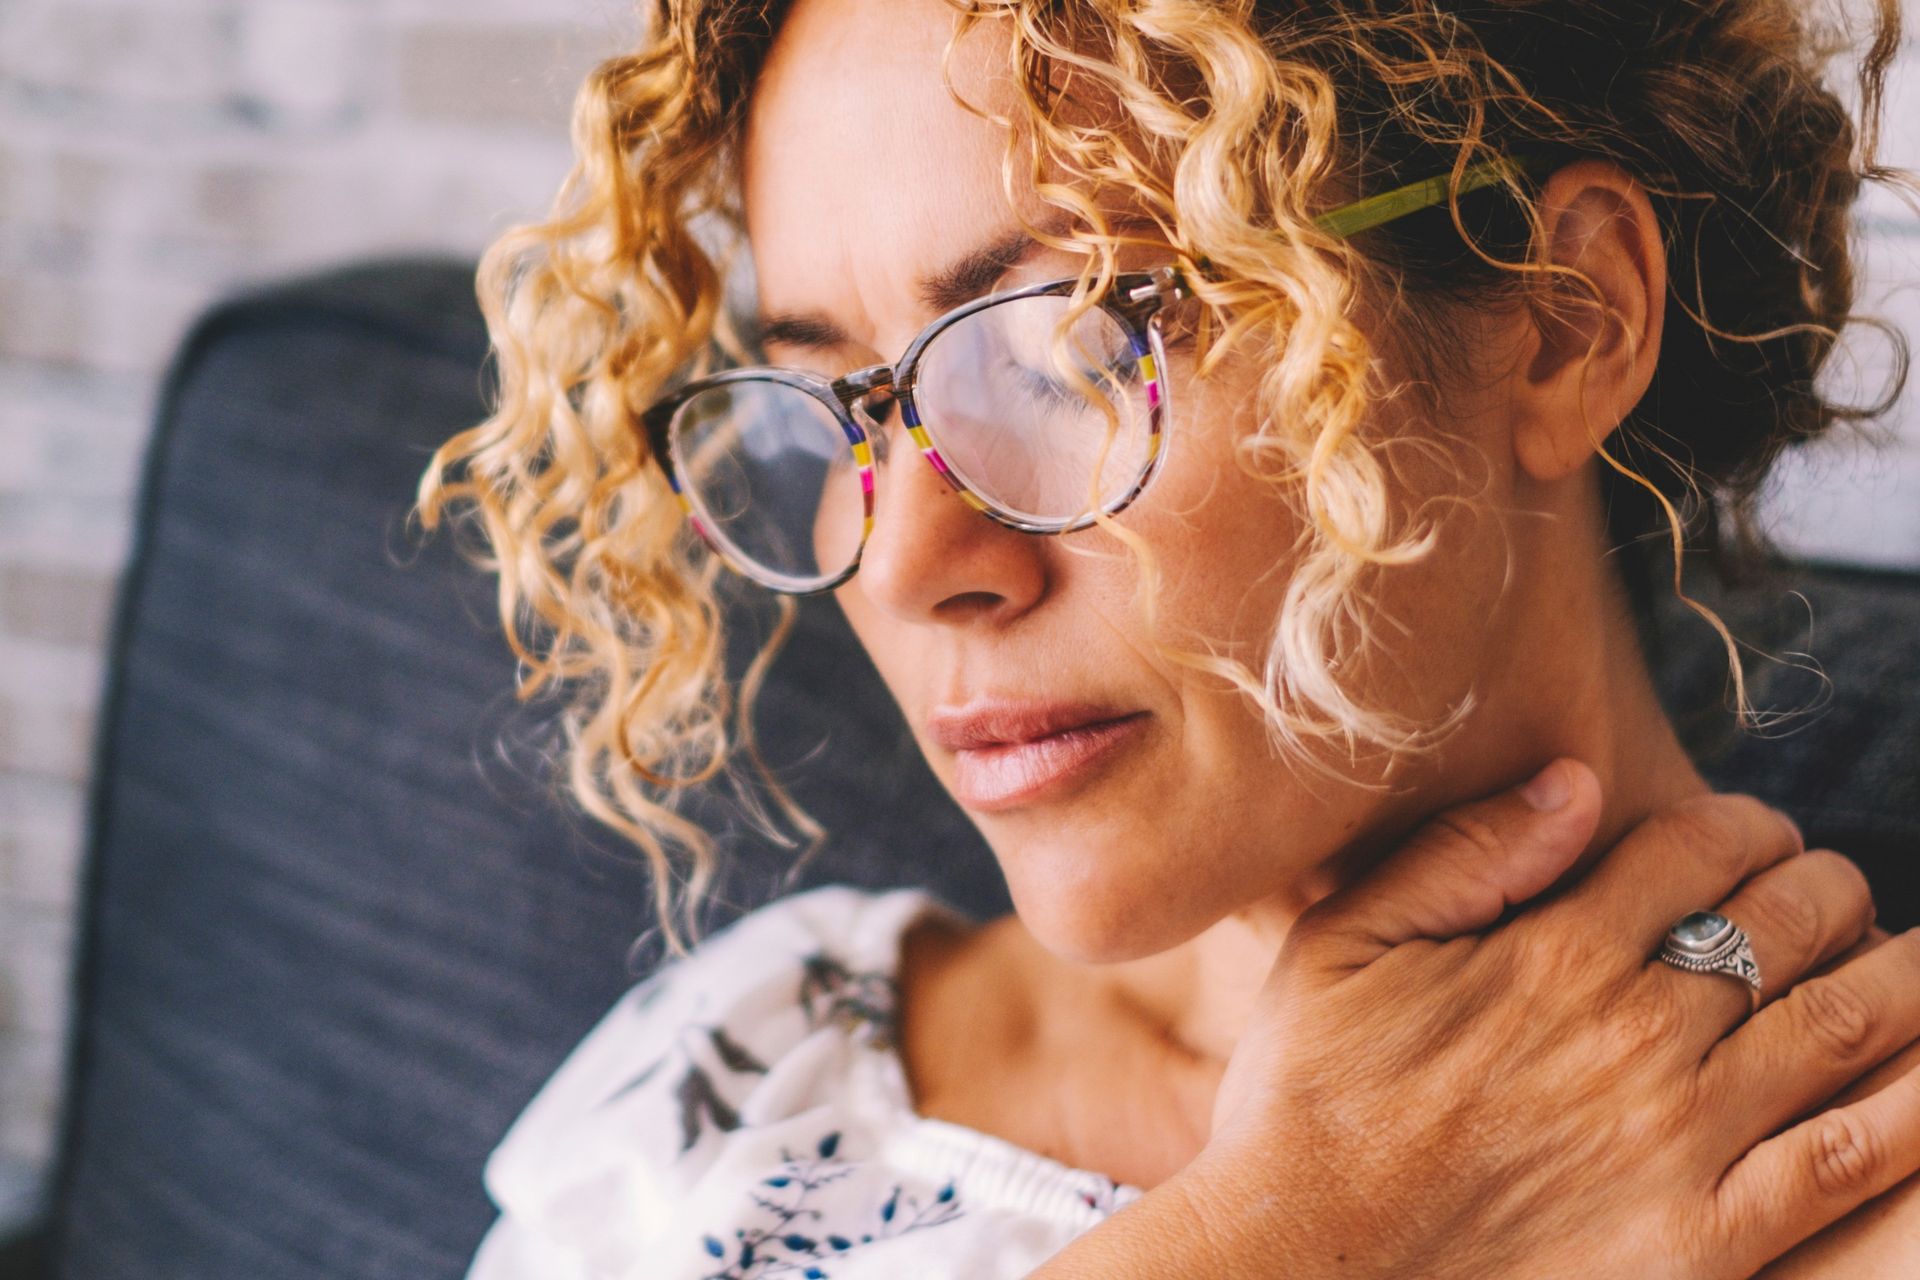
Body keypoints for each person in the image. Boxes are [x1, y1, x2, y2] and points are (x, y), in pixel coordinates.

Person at [415, 0, 1920, 1274]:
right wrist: (1295, 1234)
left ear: (1564, 316)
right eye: (839, 402)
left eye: (1072, 348)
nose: (909, 562)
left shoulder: (1861, 1189)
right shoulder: (751, 1062)